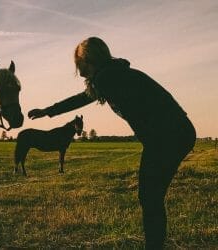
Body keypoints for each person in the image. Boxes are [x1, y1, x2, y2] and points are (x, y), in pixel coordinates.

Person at [28, 37, 196, 249]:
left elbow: (82, 98)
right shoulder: (113, 74)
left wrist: (48, 111)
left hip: (167, 136)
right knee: (151, 197)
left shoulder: (108, 77)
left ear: (86, 60)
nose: (76, 68)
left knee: (149, 197)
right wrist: (49, 111)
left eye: (77, 62)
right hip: (174, 133)